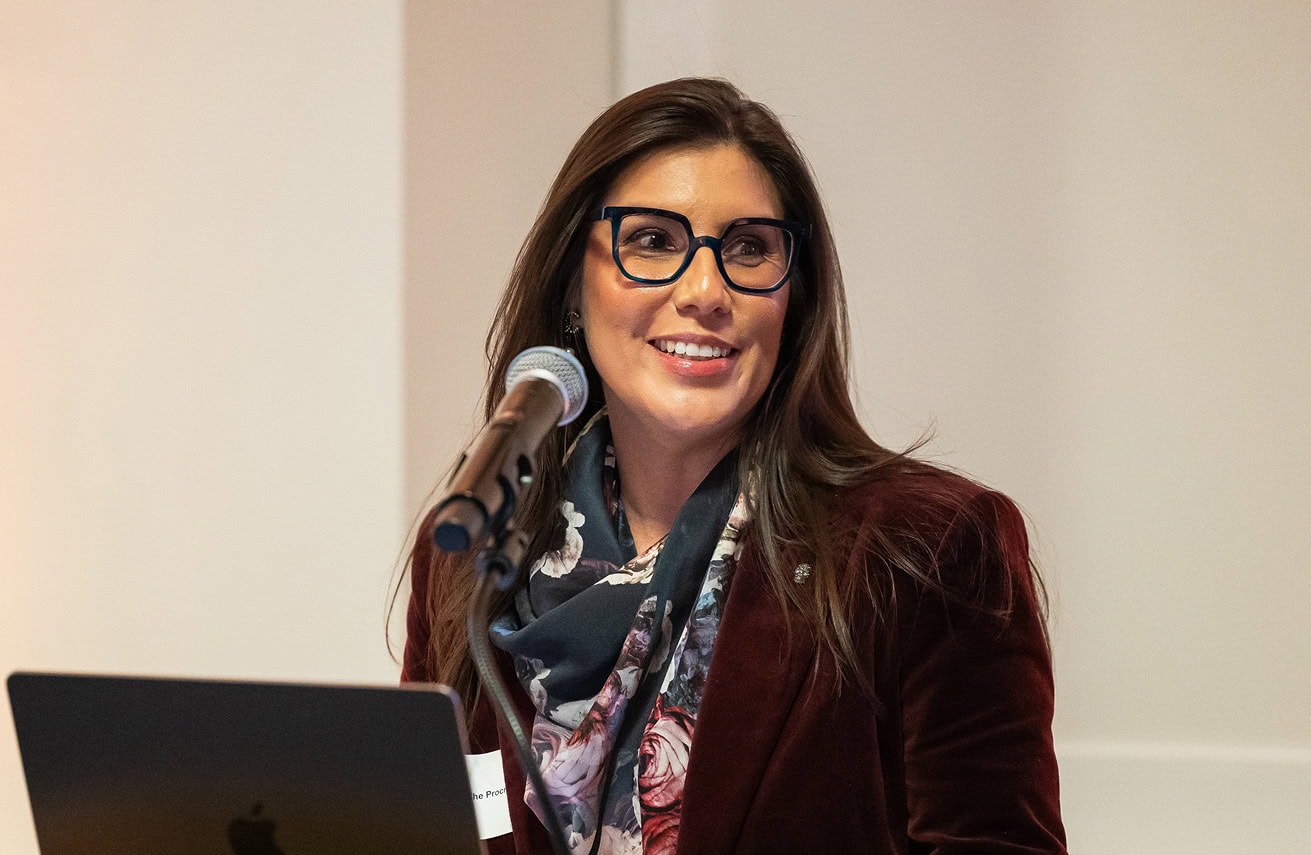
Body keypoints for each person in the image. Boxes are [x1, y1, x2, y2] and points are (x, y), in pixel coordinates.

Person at [401, 77, 1066, 854]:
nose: (705, 291)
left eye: (749, 248)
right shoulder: (471, 554)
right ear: (572, 288)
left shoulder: (924, 551)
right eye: (652, 240)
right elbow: (443, 827)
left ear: (793, 297)